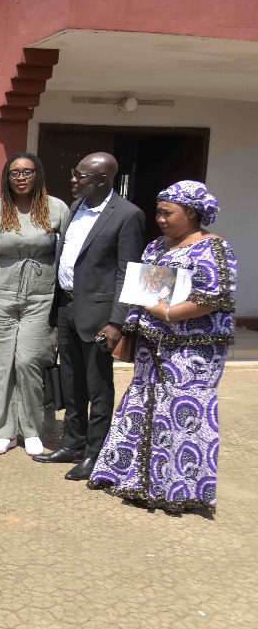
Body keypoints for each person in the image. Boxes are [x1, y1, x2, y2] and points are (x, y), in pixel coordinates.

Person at [89, 181, 234, 514]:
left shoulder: (213, 249)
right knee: (148, 404)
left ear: (192, 213)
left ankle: (178, 489)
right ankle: (136, 480)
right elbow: (146, 290)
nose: (161, 219)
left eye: (168, 213)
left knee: (181, 413)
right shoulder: (156, 246)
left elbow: (215, 297)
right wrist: (129, 325)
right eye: (159, 212)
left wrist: (167, 312)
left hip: (193, 351)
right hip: (151, 345)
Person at [34, 152, 145, 481]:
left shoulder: (127, 215)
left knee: (98, 388)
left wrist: (116, 322)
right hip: (67, 308)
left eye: (80, 176)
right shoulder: (76, 208)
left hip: (99, 317)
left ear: (102, 180)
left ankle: (96, 455)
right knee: (71, 383)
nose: (73, 179)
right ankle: (72, 443)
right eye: (74, 173)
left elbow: (128, 272)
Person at [0, 153, 70, 455]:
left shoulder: (57, 208)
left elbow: (69, 254)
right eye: (14, 173)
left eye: (27, 172)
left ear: (38, 174)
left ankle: (32, 428)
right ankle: (3, 430)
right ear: (7, 177)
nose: (21, 178)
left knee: (30, 361)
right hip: (2, 296)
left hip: (42, 297)